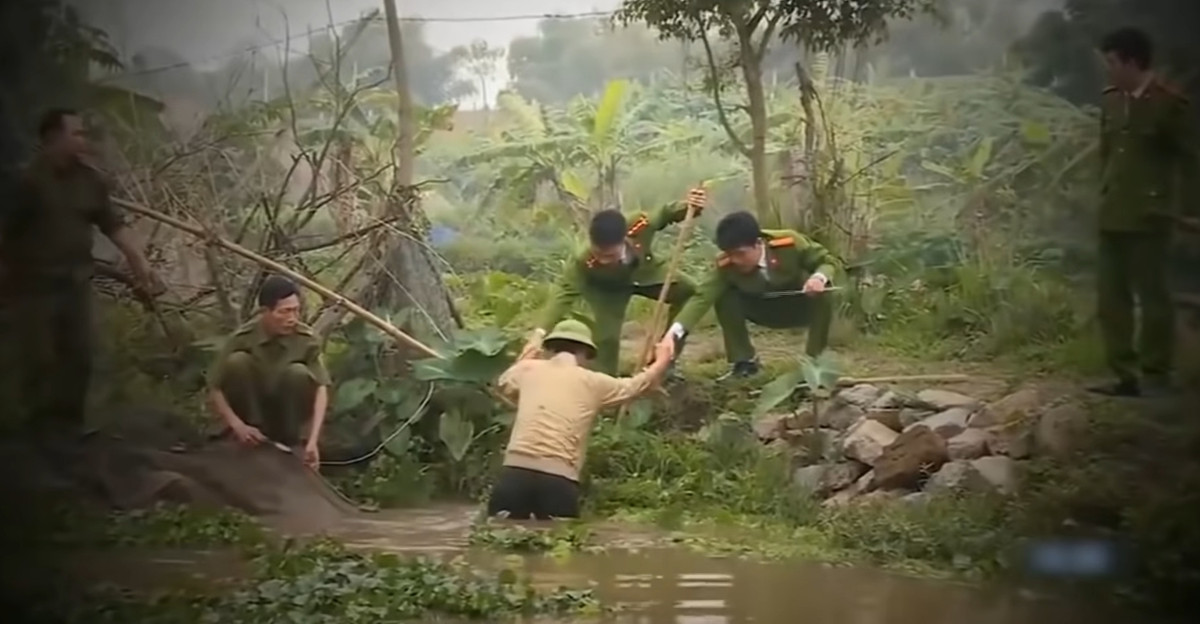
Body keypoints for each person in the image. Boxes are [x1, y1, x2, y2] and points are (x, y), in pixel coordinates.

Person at [0, 108, 163, 435]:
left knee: (79, 356)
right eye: (75, 133)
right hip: (32, 286)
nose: (83, 140)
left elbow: (115, 227)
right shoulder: (27, 181)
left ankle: (68, 428)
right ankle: (31, 432)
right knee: (37, 358)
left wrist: (141, 266)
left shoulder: (90, 180)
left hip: (74, 283)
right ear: (52, 138)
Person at [1091, 27, 1197, 397]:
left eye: (1112, 63)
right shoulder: (1111, 101)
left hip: (1151, 215)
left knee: (1153, 298)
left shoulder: (1169, 105)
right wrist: (1103, 191)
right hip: (1113, 212)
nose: (1109, 71)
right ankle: (1124, 374)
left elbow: (1190, 161)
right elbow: (1107, 154)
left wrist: (1189, 210)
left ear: (1132, 61)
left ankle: (1156, 374)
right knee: (1110, 298)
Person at [487, 319, 675, 519]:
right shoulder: (593, 382)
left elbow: (502, 385)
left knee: (498, 534)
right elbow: (633, 386)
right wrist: (661, 361)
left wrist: (524, 359)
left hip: (514, 475)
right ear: (585, 353)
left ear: (549, 349)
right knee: (561, 543)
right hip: (559, 480)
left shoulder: (526, 369)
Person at [533, 188, 706, 375]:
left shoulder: (638, 225)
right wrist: (539, 333)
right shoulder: (582, 259)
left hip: (646, 274)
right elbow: (563, 293)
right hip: (608, 290)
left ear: (624, 239)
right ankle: (605, 383)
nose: (603, 261)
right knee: (606, 338)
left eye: (610, 255)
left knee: (689, 292)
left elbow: (665, 213)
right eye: (598, 255)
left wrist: (690, 206)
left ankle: (666, 358)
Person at [666, 211, 841, 381]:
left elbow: (827, 262)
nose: (735, 260)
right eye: (730, 254)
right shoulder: (725, 265)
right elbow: (702, 297)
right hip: (761, 311)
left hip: (801, 307)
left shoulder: (789, 243)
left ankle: (814, 361)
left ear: (758, 243)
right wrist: (674, 333)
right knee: (724, 295)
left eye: (740, 254)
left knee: (824, 290)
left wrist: (818, 278)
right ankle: (744, 362)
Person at [207, 275, 331, 469]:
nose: (292, 319)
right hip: (253, 413)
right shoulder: (243, 337)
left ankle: (293, 440)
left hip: (288, 415)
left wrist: (313, 440)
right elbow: (214, 386)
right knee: (237, 362)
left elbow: (322, 388)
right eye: (285, 312)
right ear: (265, 311)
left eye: (296, 311)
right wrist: (237, 425)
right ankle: (252, 435)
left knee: (298, 372)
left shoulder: (306, 339)